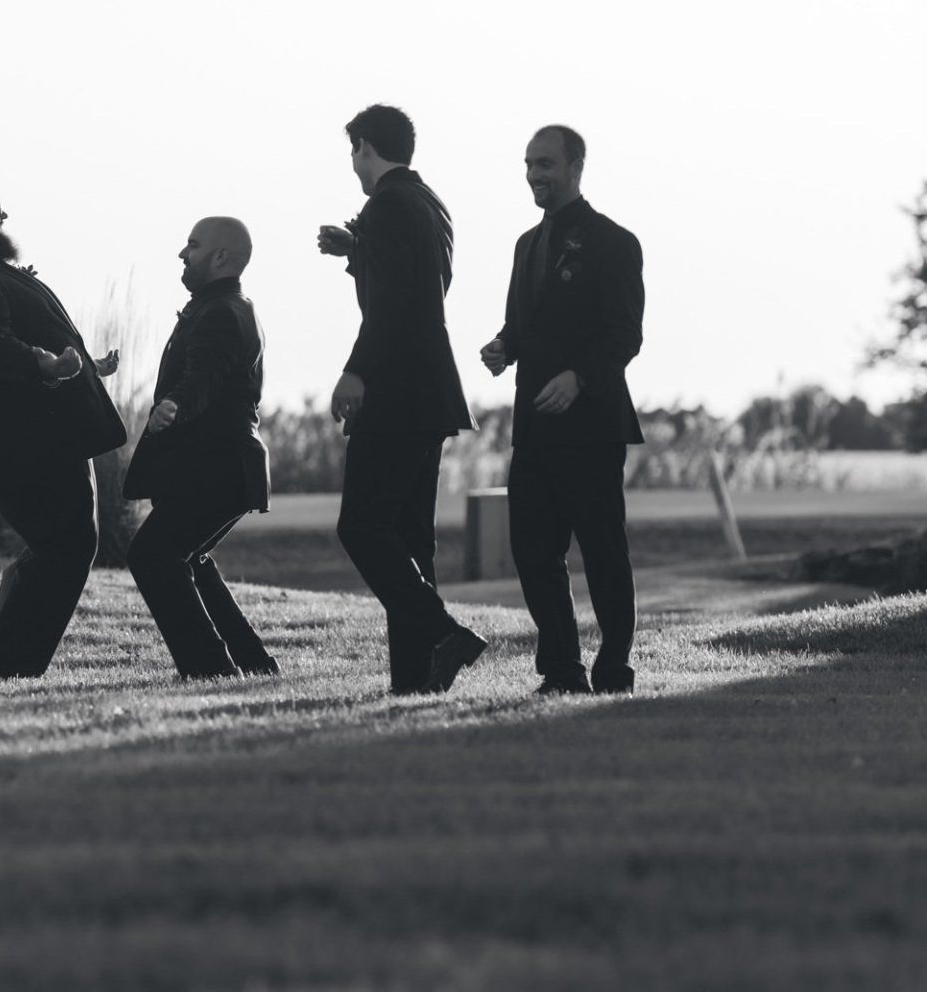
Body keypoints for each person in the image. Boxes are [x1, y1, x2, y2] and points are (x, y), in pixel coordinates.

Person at [0, 172, 126, 680]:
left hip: (43, 437)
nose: (3, 218)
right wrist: (46, 364)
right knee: (67, 546)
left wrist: (81, 362)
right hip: (27, 444)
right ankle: (7, 670)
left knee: (60, 546)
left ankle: (3, 663)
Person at [317, 105, 486, 693]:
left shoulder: (385, 205)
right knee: (411, 539)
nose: (354, 167)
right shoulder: (428, 204)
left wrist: (355, 371)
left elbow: (392, 303)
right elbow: (414, 282)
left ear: (365, 147)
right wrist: (354, 249)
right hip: (431, 389)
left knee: (362, 526)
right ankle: (417, 680)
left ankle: (443, 635)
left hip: (394, 388)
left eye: (353, 153)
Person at [480, 125, 645, 694]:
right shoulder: (526, 245)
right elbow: (522, 325)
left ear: (577, 166)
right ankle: (562, 669)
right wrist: (505, 347)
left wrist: (580, 378)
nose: (535, 175)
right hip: (535, 429)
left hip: (593, 426)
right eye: (529, 164)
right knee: (531, 550)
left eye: (546, 164)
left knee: (603, 551)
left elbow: (625, 335)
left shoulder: (614, 242)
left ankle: (615, 665)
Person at [122, 217, 279, 679]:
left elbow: (204, 376)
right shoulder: (224, 306)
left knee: (152, 556)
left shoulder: (221, 313)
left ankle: (210, 668)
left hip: (216, 465)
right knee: (187, 558)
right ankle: (251, 661)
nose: (182, 253)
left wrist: (175, 404)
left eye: (192, 245)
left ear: (221, 257)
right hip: (223, 467)